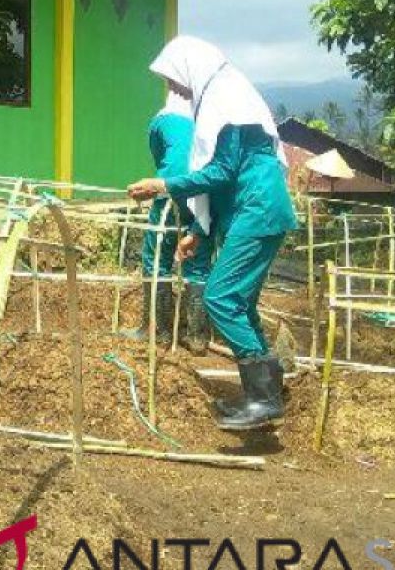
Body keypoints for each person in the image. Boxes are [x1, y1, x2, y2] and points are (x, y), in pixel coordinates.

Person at [127, 36, 298, 431]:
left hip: (257, 211)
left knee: (221, 297)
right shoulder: (220, 100)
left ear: (192, 70)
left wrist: (161, 185)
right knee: (242, 304)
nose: (173, 89)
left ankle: (264, 401)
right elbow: (221, 181)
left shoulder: (227, 102)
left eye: (175, 80)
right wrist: (199, 233)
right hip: (253, 212)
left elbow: (221, 173)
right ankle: (267, 392)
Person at [122, 89, 213, 353]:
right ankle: (196, 337)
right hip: (202, 188)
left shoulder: (161, 121)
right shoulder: (206, 123)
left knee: (157, 258)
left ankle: (157, 331)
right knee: (198, 260)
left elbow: (162, 159)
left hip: (169, 186)